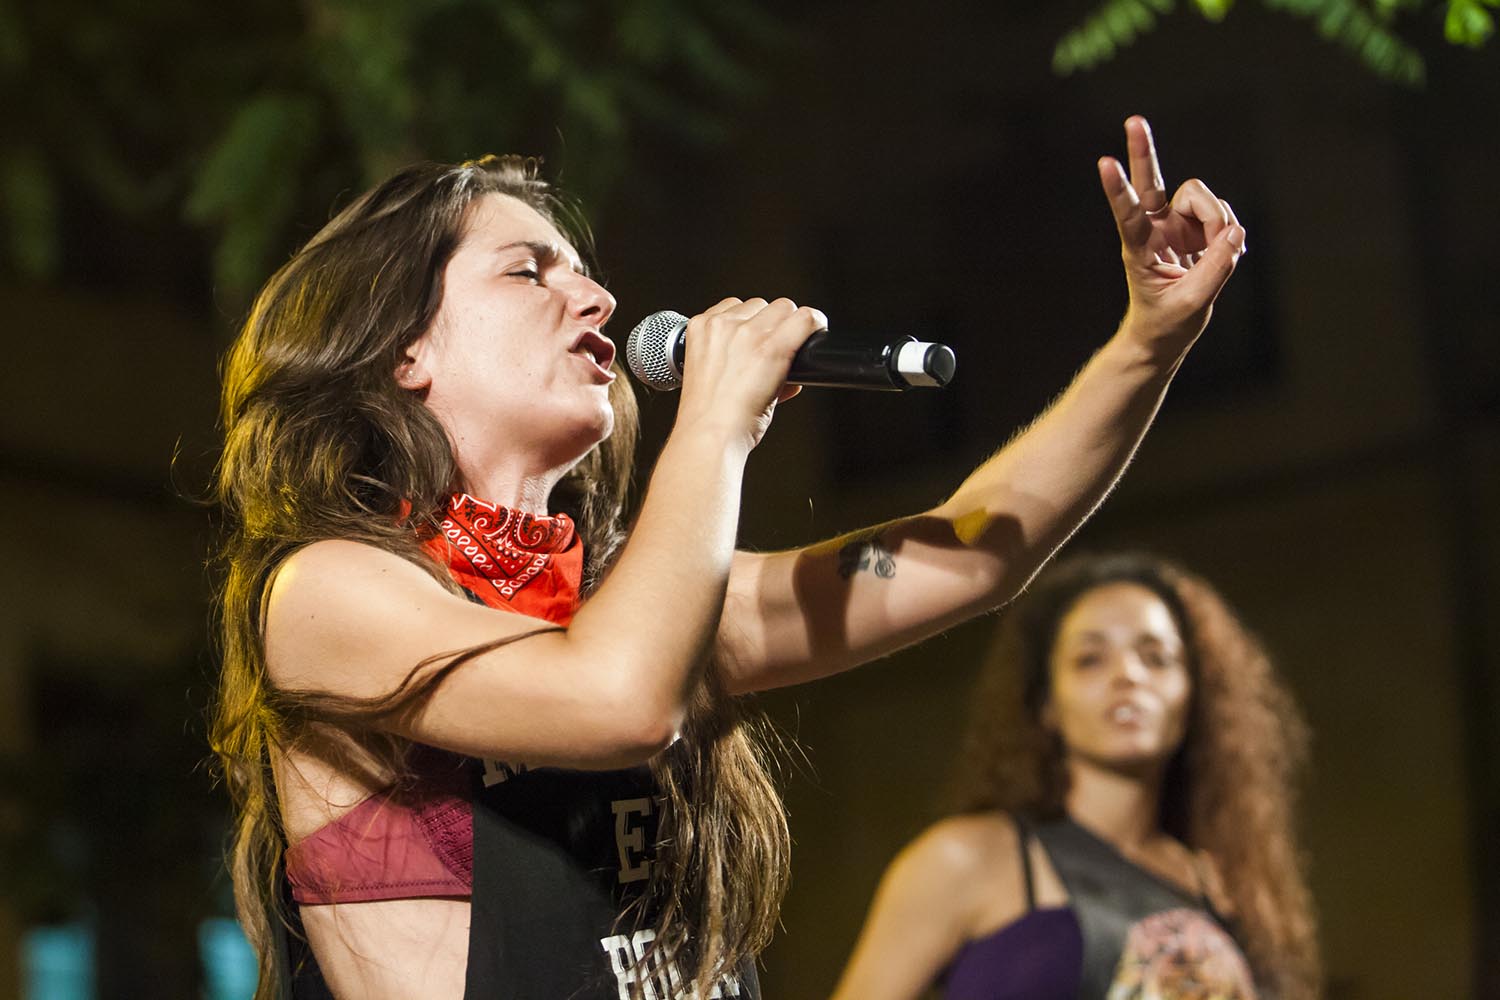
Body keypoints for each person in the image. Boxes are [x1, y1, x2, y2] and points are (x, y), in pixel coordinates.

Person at [208, 116, 1247, 1000]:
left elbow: (973, 553)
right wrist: (715, 420)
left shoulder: (636, 597)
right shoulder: (324, 590)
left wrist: (1149, 341)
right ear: (405, 350)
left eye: (587, 271)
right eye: (530, 270)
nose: (598, 299)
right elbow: (619, 697)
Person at [830, 552, 1320, 1000]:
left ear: (1195, 696)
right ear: (1046, 706)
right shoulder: (967, 858)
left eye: (1157, 658)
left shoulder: (1218, 885)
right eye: (1090, 660)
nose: (1128, 675)